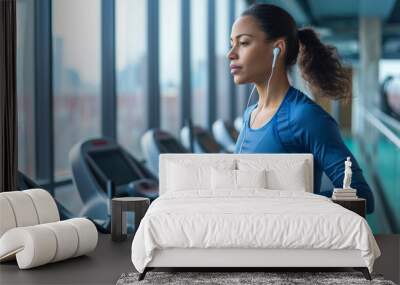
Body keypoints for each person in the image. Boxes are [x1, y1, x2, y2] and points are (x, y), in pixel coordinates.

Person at [228, 3, 375, 214]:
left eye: (243, 43)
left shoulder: (305, 117)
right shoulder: (250, 114)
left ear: (278, 48)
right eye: (231, 44)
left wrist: (289, 204)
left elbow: (362, 196)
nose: (231, 54)